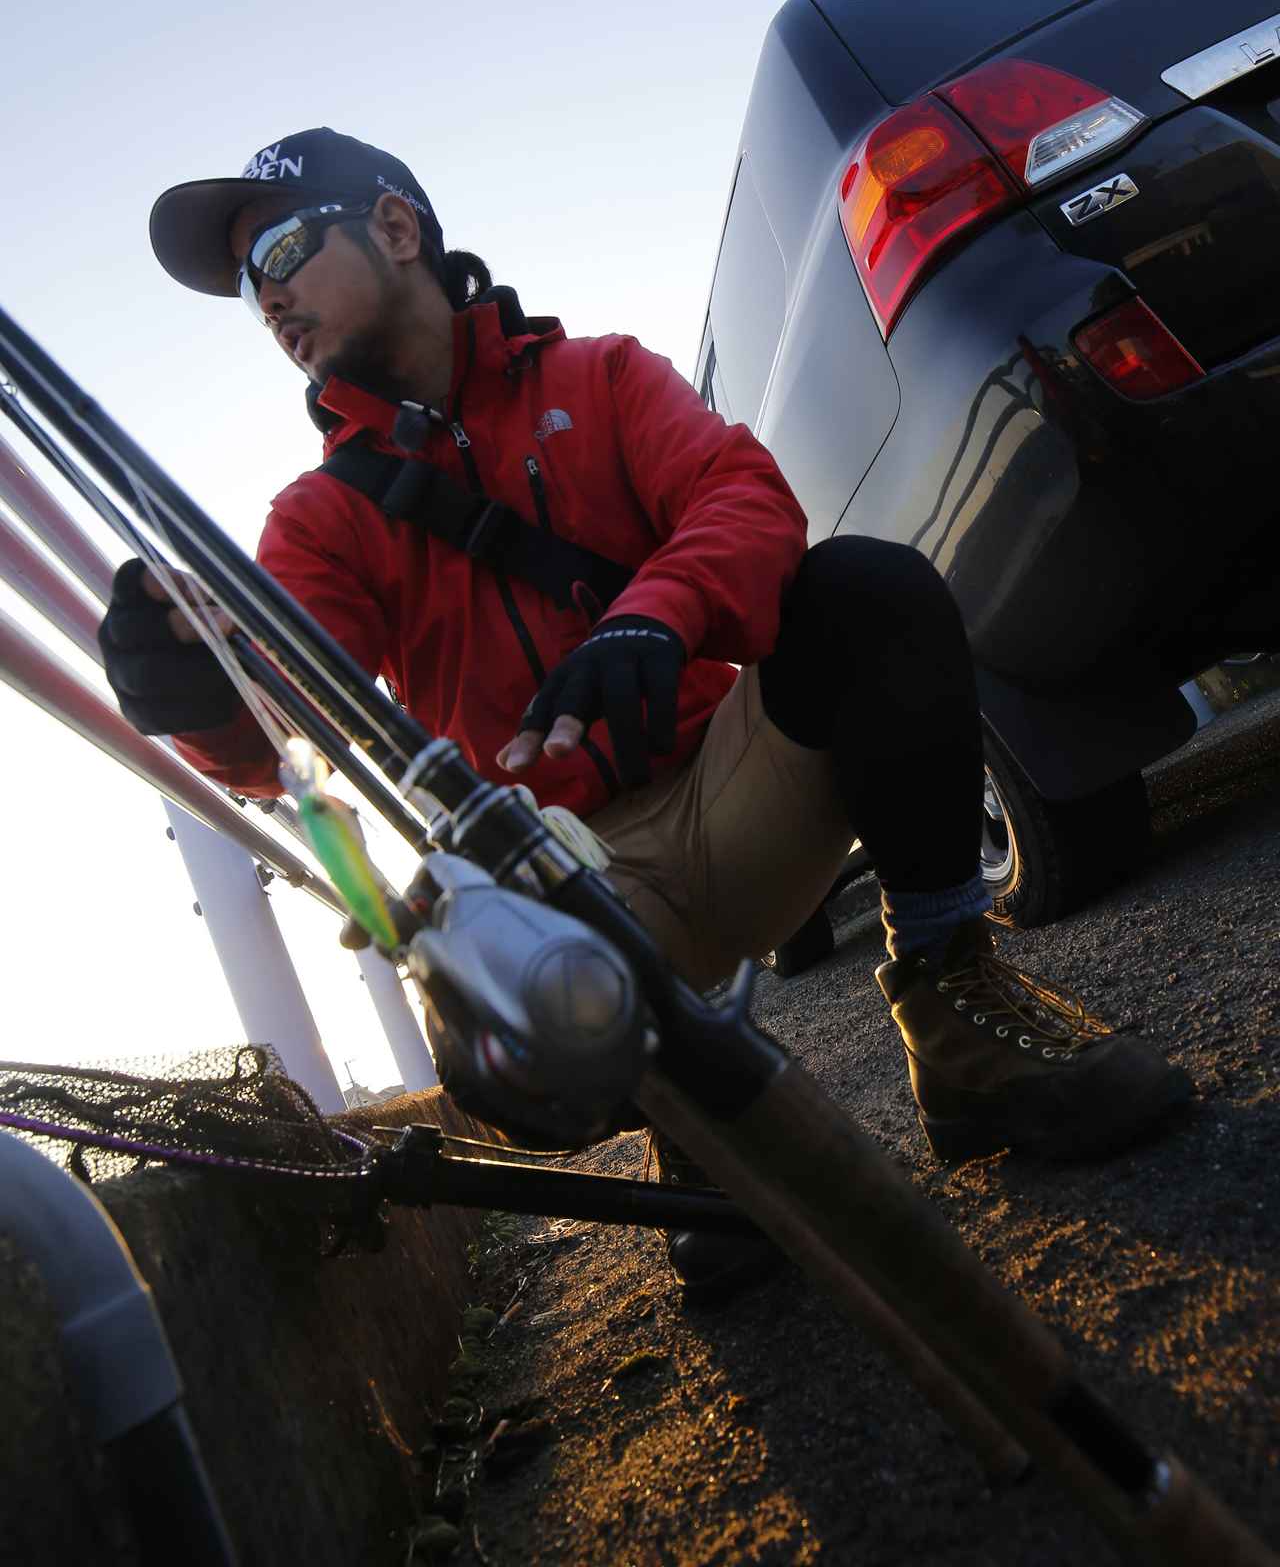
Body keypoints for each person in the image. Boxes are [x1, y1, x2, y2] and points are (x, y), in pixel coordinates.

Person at [100, 127, 1192, 1290]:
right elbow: (278, 727)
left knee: (863, 590)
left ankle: (958, 1010)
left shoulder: (599, 378)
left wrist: (652, 617)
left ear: (396, 228)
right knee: (495, 1057)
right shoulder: (318, 522)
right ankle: (697, 1114)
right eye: (244, 285)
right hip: (574, 882)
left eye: (276, 248)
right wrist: (198, 703)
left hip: (740, 801)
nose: (263, 297)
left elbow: (746, 499)